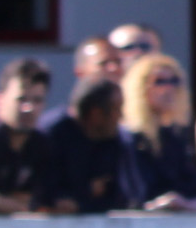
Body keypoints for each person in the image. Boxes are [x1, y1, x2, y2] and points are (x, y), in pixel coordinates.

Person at [120, 52, 196, 210]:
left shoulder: (174, 134)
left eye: (174, 81)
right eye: (159, 81)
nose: (169, 88)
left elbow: (185, 181)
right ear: (140, 88)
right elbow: (142, 191)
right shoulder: (130, 136)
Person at [39, 79, 140, 214]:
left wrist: (80, 199)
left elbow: (117, 198)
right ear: (96, 113)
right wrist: (85, 191)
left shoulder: (114, 140)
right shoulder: (50, 135)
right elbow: (45, 197)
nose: (121, 116)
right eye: (117, 109)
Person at [0, 58, 52, 213]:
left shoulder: (42, 145)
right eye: (21, 99)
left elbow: (42, 201)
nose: (28, 108)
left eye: (37, 100)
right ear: (0, 99)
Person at [41, 34, 123, 134]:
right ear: (80, 73)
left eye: (117, 62)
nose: (114, 68)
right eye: (104, 63)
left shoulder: (128, 130)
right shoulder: (53, 130)